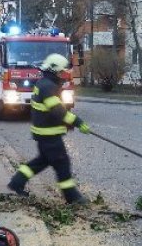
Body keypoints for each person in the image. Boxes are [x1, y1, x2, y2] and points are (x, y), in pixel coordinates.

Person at [7, 53, 91, 204]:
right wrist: (77, 122)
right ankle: (72, 197)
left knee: (41, 162)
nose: (63, 74)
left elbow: (50, 111)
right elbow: (57, 111)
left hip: (44, 133)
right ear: (54, 70)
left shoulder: (44, 83)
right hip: (49, 136)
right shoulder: (48, 87)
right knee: (62, 164)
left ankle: (16, 182)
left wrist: (69, 124)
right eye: (61, 71)